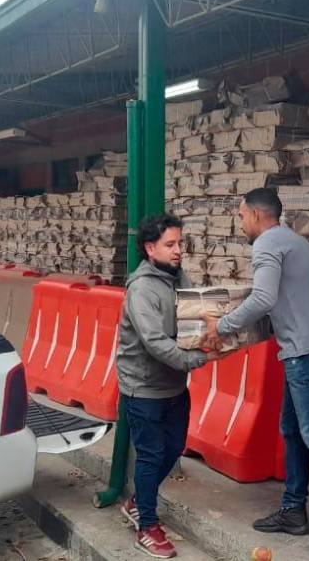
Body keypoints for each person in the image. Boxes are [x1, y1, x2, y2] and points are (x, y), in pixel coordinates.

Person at [202, 188, 309, 561]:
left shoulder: (267, 244)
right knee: (292, 431)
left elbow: (262, 298)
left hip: (306, 353)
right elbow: (284, 302)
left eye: (242, 215)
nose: (242, 222)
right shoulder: (297, 243)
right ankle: (294, 510)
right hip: (308, 347)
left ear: (257, 214)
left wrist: (223, 326)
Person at [116, 213, 212, 559]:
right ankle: (147, 526)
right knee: (152, 456)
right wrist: (196, 360)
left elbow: (194, 311)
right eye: (170, 245)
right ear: (150, 247)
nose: (178, 251)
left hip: (173, 385)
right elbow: (155, 342)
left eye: (180, 244)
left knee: (173, 449)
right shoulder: (142, 288)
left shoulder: (177, 278)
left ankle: (140, 501)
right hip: (143, 389)